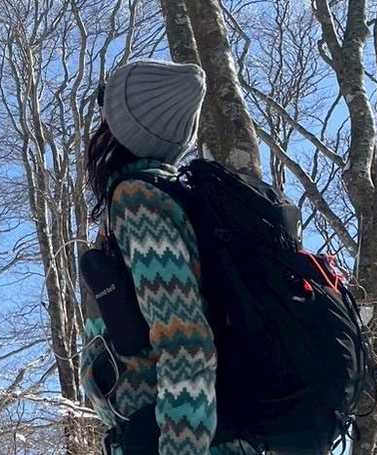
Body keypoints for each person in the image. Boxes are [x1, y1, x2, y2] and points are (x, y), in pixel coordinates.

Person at [78, 59, 259, 455]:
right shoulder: (175, 199)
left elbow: (185, 339)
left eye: (106, 108)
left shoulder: (139, 202)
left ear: (121, 127)